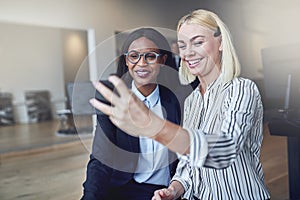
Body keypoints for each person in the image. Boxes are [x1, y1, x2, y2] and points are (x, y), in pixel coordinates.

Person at [90, 9, 271, 200]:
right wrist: (174, 189)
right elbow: (188, 166)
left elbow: (224, 151)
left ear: (221, 43)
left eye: (198, 42)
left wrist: (153, 126)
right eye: (183, 46)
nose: (188, 53)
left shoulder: (242, 89)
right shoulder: (191, 100)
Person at [82, 27, 182, 200]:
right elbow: (101, 158)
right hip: (125, 189)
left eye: (150, 56)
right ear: (126, 61)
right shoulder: (113, 100)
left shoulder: (180, 99)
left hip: (167, 190)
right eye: (134, 56)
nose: (141, 64)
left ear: (163, 60)